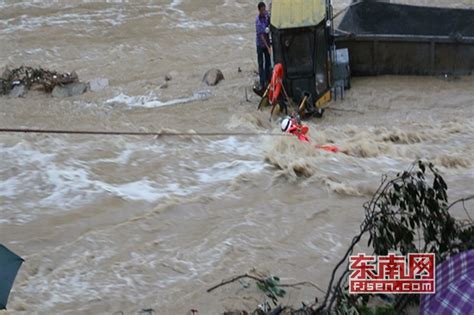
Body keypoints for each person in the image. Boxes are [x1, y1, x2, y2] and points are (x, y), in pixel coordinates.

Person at [256, 2, 272, 91]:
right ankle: (262, 84)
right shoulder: (258, 21)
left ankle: (268, 80)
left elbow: (270, 20)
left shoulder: (266, 16)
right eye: (262, 10)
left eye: (264, 9)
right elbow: (262, 36)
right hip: (261, 44)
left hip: (267, 43)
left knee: (268, 63)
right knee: (261, 64)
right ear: (259, 10)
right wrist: (268, 47)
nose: (264, 11)